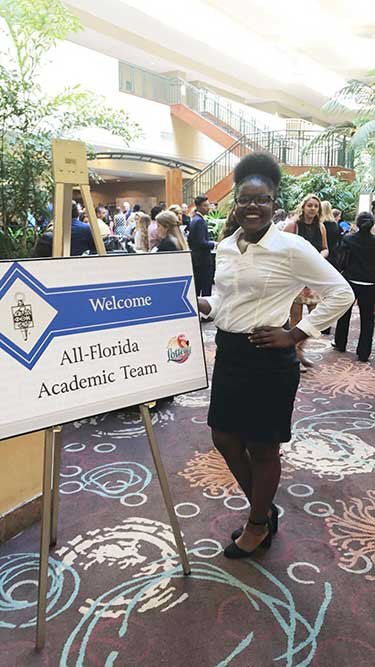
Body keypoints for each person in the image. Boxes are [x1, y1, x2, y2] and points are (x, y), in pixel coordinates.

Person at [197, 152, 354, 559]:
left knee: (263, 447)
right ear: (235, 202)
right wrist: (208, 306)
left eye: (262, 199)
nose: (253, 206)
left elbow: (341, 293)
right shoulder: (228, 246)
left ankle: (257, 522)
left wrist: (297, 333)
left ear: (273, 202)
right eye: (245, 199)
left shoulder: (291, 246)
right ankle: (264, 509)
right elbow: (226, 298)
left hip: (267, 358)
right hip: (229, 354)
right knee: (224, 437)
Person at [284, 194, 328, 368]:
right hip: (295, 278)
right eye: (309, 205)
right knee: (296, 318)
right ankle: (295, 355)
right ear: (303, 207)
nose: (312, 209)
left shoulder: (321, 227)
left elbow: (325, 249)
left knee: (315, 319)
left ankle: (300, 350)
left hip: (313, 279)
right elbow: (280, 249)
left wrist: (317, 257)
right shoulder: (293, 225)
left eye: (316, 206)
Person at [333, 211, 375, 362]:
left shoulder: (348, 239)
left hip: (351, 281)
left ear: (357, 223)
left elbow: (341, 260)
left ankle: (340, 343)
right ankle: (364, 353)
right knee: (368, 319)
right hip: (370, 284)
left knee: (344, 313)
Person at [188, 194, 215, 296]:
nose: (207, 208)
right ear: (198, 206)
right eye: (205, 205)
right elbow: (201, 242)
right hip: (202, 259)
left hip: (197, 259)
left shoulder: (195, 219)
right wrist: (214, 244)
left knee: (198, 286)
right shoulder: (199, 221)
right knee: (205, 288)